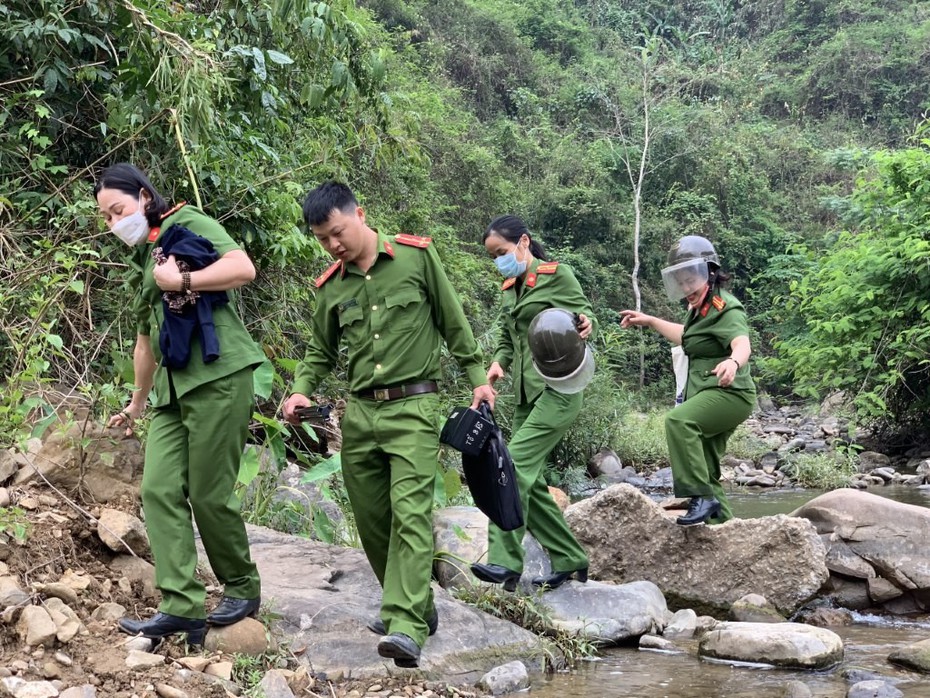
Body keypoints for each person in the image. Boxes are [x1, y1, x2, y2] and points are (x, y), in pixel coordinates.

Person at [282, 181, 495, 668]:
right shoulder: (332, 286)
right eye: (322, 239)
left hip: (414, 409)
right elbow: (320, 350)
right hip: (360, 414)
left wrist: (477, 378)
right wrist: (302, 389)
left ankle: (405, 624)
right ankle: (417, 604)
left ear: (359, 213)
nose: (333, 244)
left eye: (337, 232)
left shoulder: (416, 259)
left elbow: (452, 321)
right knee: (373, 520)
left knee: (411, 513)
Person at [96, 163, 263, 646]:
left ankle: (242, 588)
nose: (113, 223)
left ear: (145, 196)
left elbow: (242, 268)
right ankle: (182, 606)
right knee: (158, 489)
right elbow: (144, 342)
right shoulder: (142, 259)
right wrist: (135, 403)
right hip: (171, 391)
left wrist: (184, 283)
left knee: (209, 494)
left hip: (218, 375)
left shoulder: (185, 223)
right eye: (106, 217)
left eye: (118, 210)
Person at [470, 215, 592, 592]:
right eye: (493, 257)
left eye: (502, 252)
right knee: (533, 485)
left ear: (523, 242)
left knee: (510, 465)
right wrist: (497, 363)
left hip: (559, 389)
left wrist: (587, 323)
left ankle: (505, 561)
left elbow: (584, 317)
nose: (498, 262)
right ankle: (571, 558)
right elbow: (510, 339)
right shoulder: (510, 287)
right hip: (526, 394)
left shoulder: (558, 274)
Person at [620, 235, 756, 525]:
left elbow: (742, 343)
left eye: (690, 280)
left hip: (729, 393)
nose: (686, 288)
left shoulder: (725, 307)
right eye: (680, 282)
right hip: (706, 393)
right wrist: (652, 321)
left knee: (678, 422)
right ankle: (725, 531)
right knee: (705, 469)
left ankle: (700, 496)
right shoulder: (699, 311)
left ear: (709, 271)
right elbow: (688, 338)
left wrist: (733, 362)